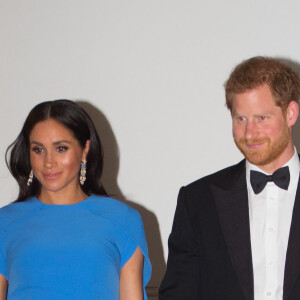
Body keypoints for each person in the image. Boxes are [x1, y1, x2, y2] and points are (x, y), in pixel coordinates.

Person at [159, 57, 300, 300]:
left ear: (290, 114)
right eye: (240, 118)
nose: (249, 132)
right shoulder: (198, 201)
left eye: (262, 118)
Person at [0, 100, 151, 300]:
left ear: (85, 149)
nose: (49, 162)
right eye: (38, 149)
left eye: (61, 148)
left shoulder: (122, 220)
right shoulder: (6, 222)